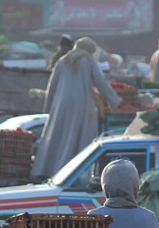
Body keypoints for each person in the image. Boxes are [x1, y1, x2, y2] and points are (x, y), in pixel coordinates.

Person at [33, 37, 121, 180]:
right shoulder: (89, 61)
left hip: (61, 104)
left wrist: (48, 108)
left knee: (59, 136)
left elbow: (52, 87)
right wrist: (115, 101)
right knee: (78, 138)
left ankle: (50, 170)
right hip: (82, 103)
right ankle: (75, 174)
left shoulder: (63, 61)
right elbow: (101, 82)